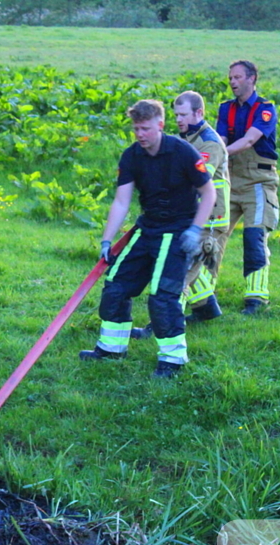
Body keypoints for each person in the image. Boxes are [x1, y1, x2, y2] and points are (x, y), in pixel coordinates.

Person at [79, 99, 215, 379]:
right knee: (116, 286)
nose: (140, 134)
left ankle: (173, 361)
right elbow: (121, 201)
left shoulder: (183, 152)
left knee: (162, 298)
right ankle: (112, 349)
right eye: (136, 129)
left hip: (178, 231)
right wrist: (106, 241)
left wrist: (195, 229)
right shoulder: (131, 156)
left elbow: (209, 193)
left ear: (160, 126)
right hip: (147, 228)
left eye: (145, 129)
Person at [131, 91, 229, 339]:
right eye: (176, 115)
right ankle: (208, 310)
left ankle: (160, 328)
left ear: (199, 113)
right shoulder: (185, 138)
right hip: (189, 215)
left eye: (184, 114)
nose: (179, 119)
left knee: (179, 273)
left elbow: (195, 180)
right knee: (188, 265)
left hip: (208, 219)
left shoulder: (209, 143)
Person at [216, 59, 279, 315]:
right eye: (230, 77)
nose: (232, 81)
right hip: (230, 178)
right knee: (211, 237)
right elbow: (220, 138)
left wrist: (219, 155)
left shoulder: (265, 109)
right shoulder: (225, 109)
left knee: (254, 237)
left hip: (258, 180)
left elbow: (249, 140)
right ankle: (203, 299)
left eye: (238, 77)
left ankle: (256, 299)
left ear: (252, 78)